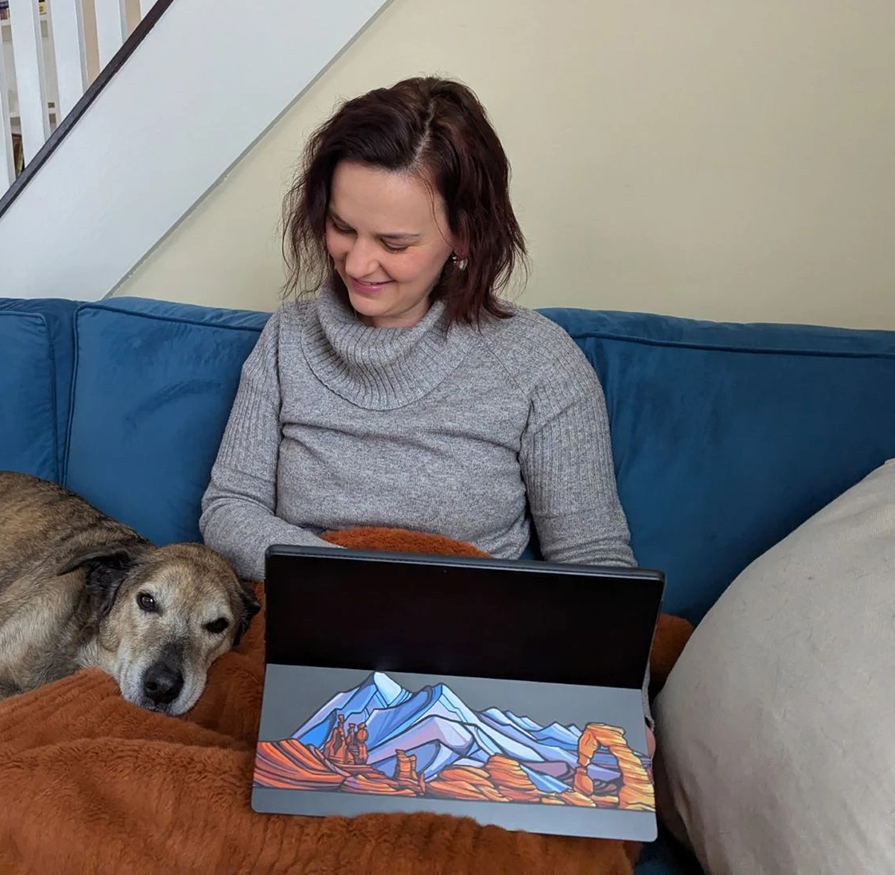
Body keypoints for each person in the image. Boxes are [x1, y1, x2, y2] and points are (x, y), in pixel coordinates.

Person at [198, 77, 653, 748]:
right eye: (341, 227)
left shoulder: (542, 364)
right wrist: (348, 582)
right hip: (309, 650)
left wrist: (625, 695)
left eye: (395, 242)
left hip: (469, 668)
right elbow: (227, 505)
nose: (358, 261)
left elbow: (592, 563)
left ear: (464, 234)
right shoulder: (286, 339)